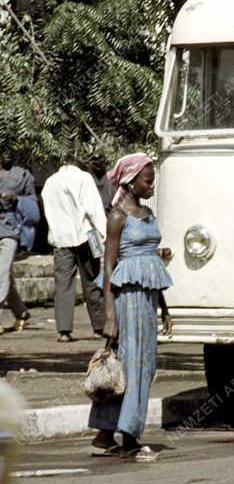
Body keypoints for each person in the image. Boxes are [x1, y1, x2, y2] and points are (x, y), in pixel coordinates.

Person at [89, 153, 172, 460]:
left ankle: (104, 435)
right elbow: (109, 267)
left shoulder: (148, 214)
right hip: (126, 303)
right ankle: (130, 438)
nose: (152, 186)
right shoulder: (117, 217)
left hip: (147, 302)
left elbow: (152, 265)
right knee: (131, 368)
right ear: (130, 181)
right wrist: (110, 316)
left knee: (139, 368)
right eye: (147, 180)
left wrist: (164, 308)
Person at [41, 155, 108, 343]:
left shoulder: (50, 182)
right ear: (80, 165)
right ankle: (99, 326)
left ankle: (64, 331)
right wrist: (106, 234)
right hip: (88, 235)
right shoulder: (85, 178)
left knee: (63, 284)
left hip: (60, 238)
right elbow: (94, 209)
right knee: (93, 281)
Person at [0, 154, 35, 333]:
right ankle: (21, 313)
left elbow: (33, 203)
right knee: (5, 276)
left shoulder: (23, 175)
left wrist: (15, 199)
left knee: (2, 272)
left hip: (10, 229)